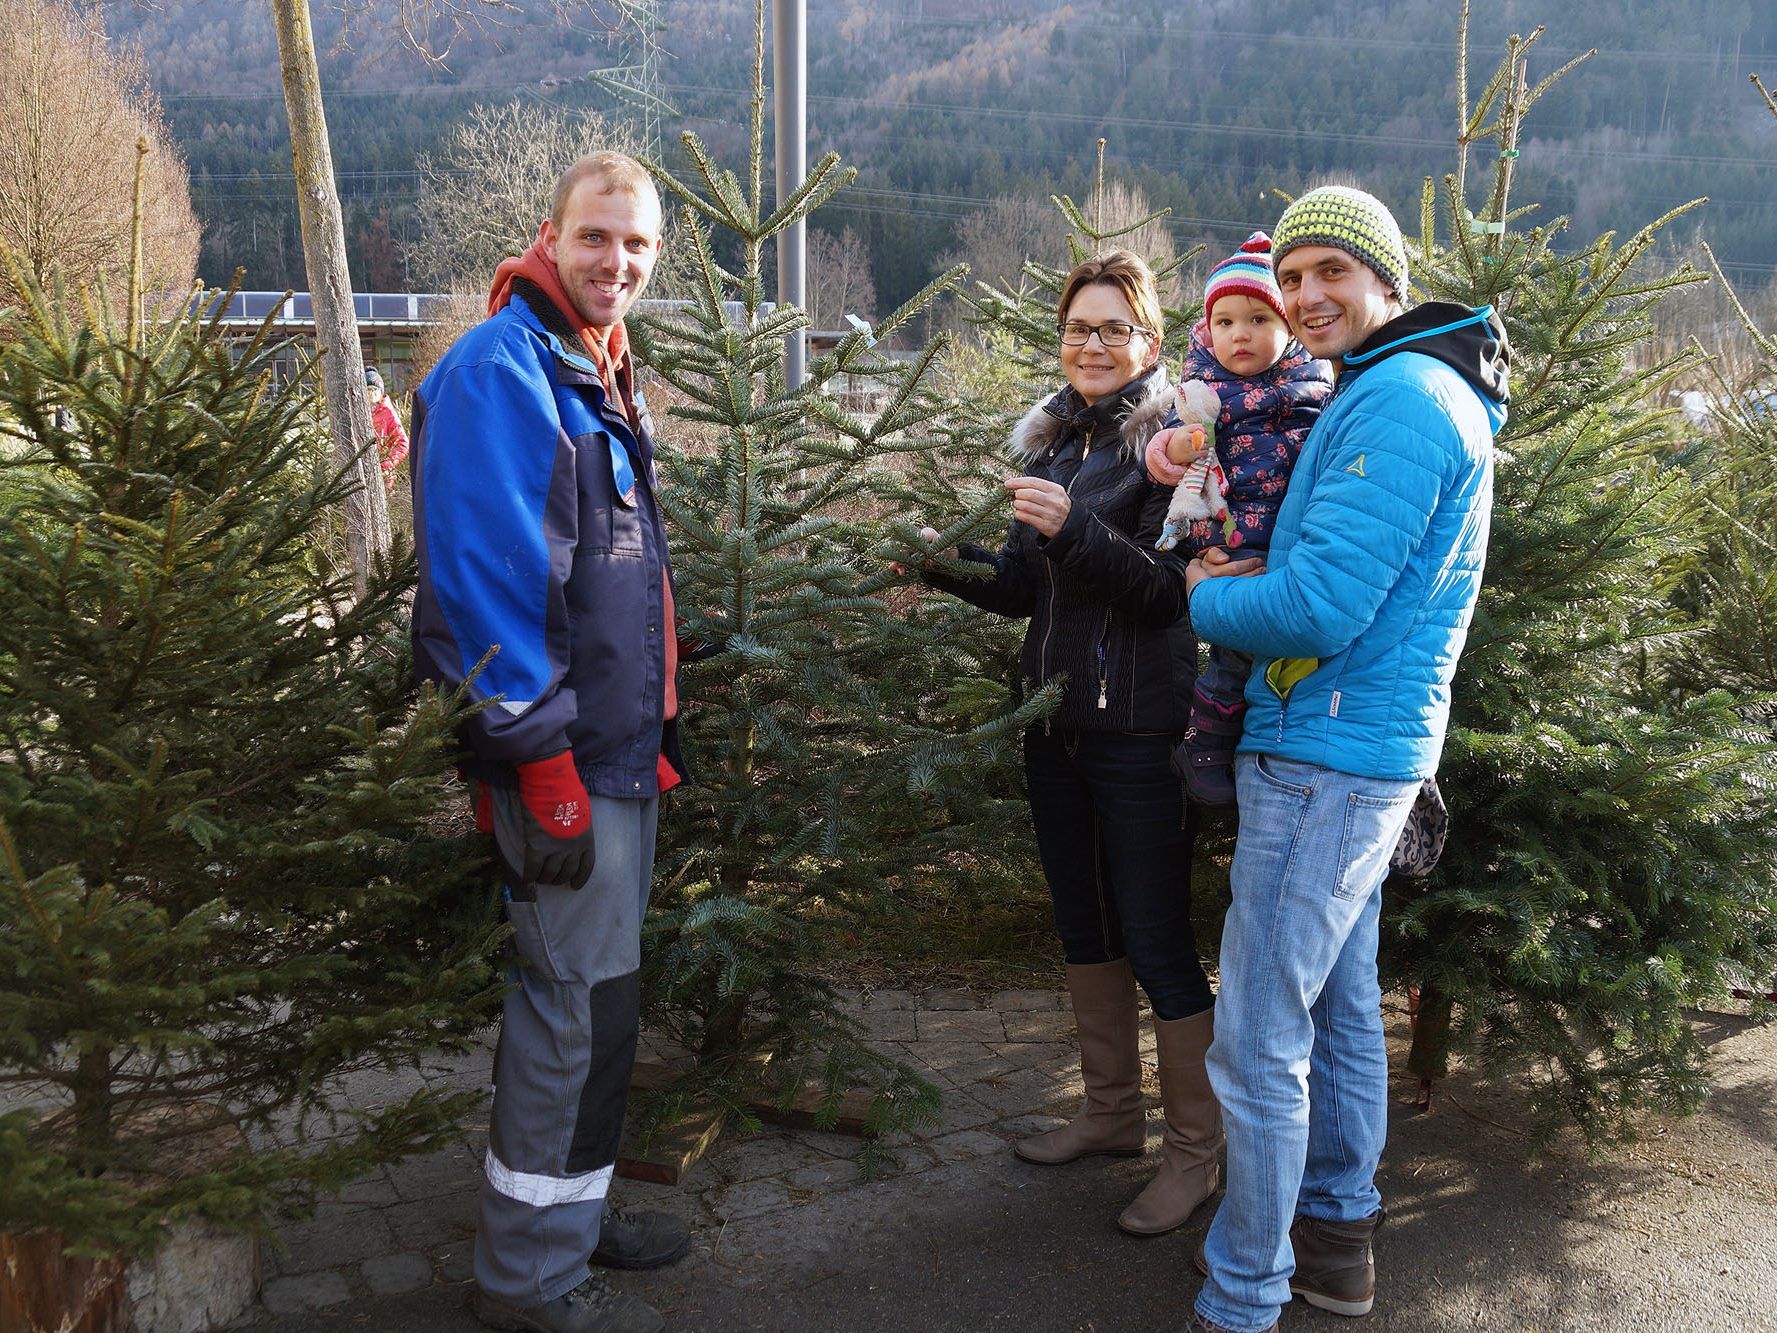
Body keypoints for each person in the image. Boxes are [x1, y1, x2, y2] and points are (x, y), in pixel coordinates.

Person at [1181, 186, 1508, 1333]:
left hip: (1326, 753)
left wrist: (1208, 594)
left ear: (1386, 280)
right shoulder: (1404, 387)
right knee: (1340, 1014)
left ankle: (1241, 1295)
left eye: (1334, 273)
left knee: (1259, 1035)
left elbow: (1319, 605)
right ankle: (1335, 1242)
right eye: (1295, 274)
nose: (1307, 296)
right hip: (1356, 748)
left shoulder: (1401, 402)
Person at [411, 151, 691, 1333]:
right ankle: (525, 1278)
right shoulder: (501, 373)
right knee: (566, 1003)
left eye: (636, 246)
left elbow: (601, 567)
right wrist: (539, 762)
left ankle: (575, 1214)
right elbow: (491, 587)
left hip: (618, 749)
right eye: (597, 238)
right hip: (562, 762)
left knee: (603, 1000)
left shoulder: (591, 365)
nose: (615, 262)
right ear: (551, 233)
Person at [917, 250, 1227, 1238]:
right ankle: (1107, 1117)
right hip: (1053, 726)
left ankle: (1195, 1154)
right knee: (1085, 926)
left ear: (1147, 339)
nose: (1091, 345)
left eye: (1112, 329)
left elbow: (1163, 592)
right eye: (1076, 328)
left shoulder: (1177, 442)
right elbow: (1021, 589)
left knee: (1156, 937)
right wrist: (936, 562)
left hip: (1140, 726)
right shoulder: (1050, 442)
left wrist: (1069, 535)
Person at [1144, 232, 1333, 806]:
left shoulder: (1315, 388)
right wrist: (1173, 453)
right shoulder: (1202, 392)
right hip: (1228, 542)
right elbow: (1160, 453)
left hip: (1292, 545)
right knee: (1232, 656)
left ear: (1289, 326)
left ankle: (1260, 745)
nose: (1240, 334)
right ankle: (1204, 740)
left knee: (1284, 654)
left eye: (1257, 319)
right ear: (1208, 330)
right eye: (1224, 322)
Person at [364, 366, 409, 491]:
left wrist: (387, 463)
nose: (371, 394)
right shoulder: (359, 413)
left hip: (383, 476)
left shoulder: (388, 412)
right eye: (368, 390)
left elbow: (403, 443)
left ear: (381, 391)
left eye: (374, 390)